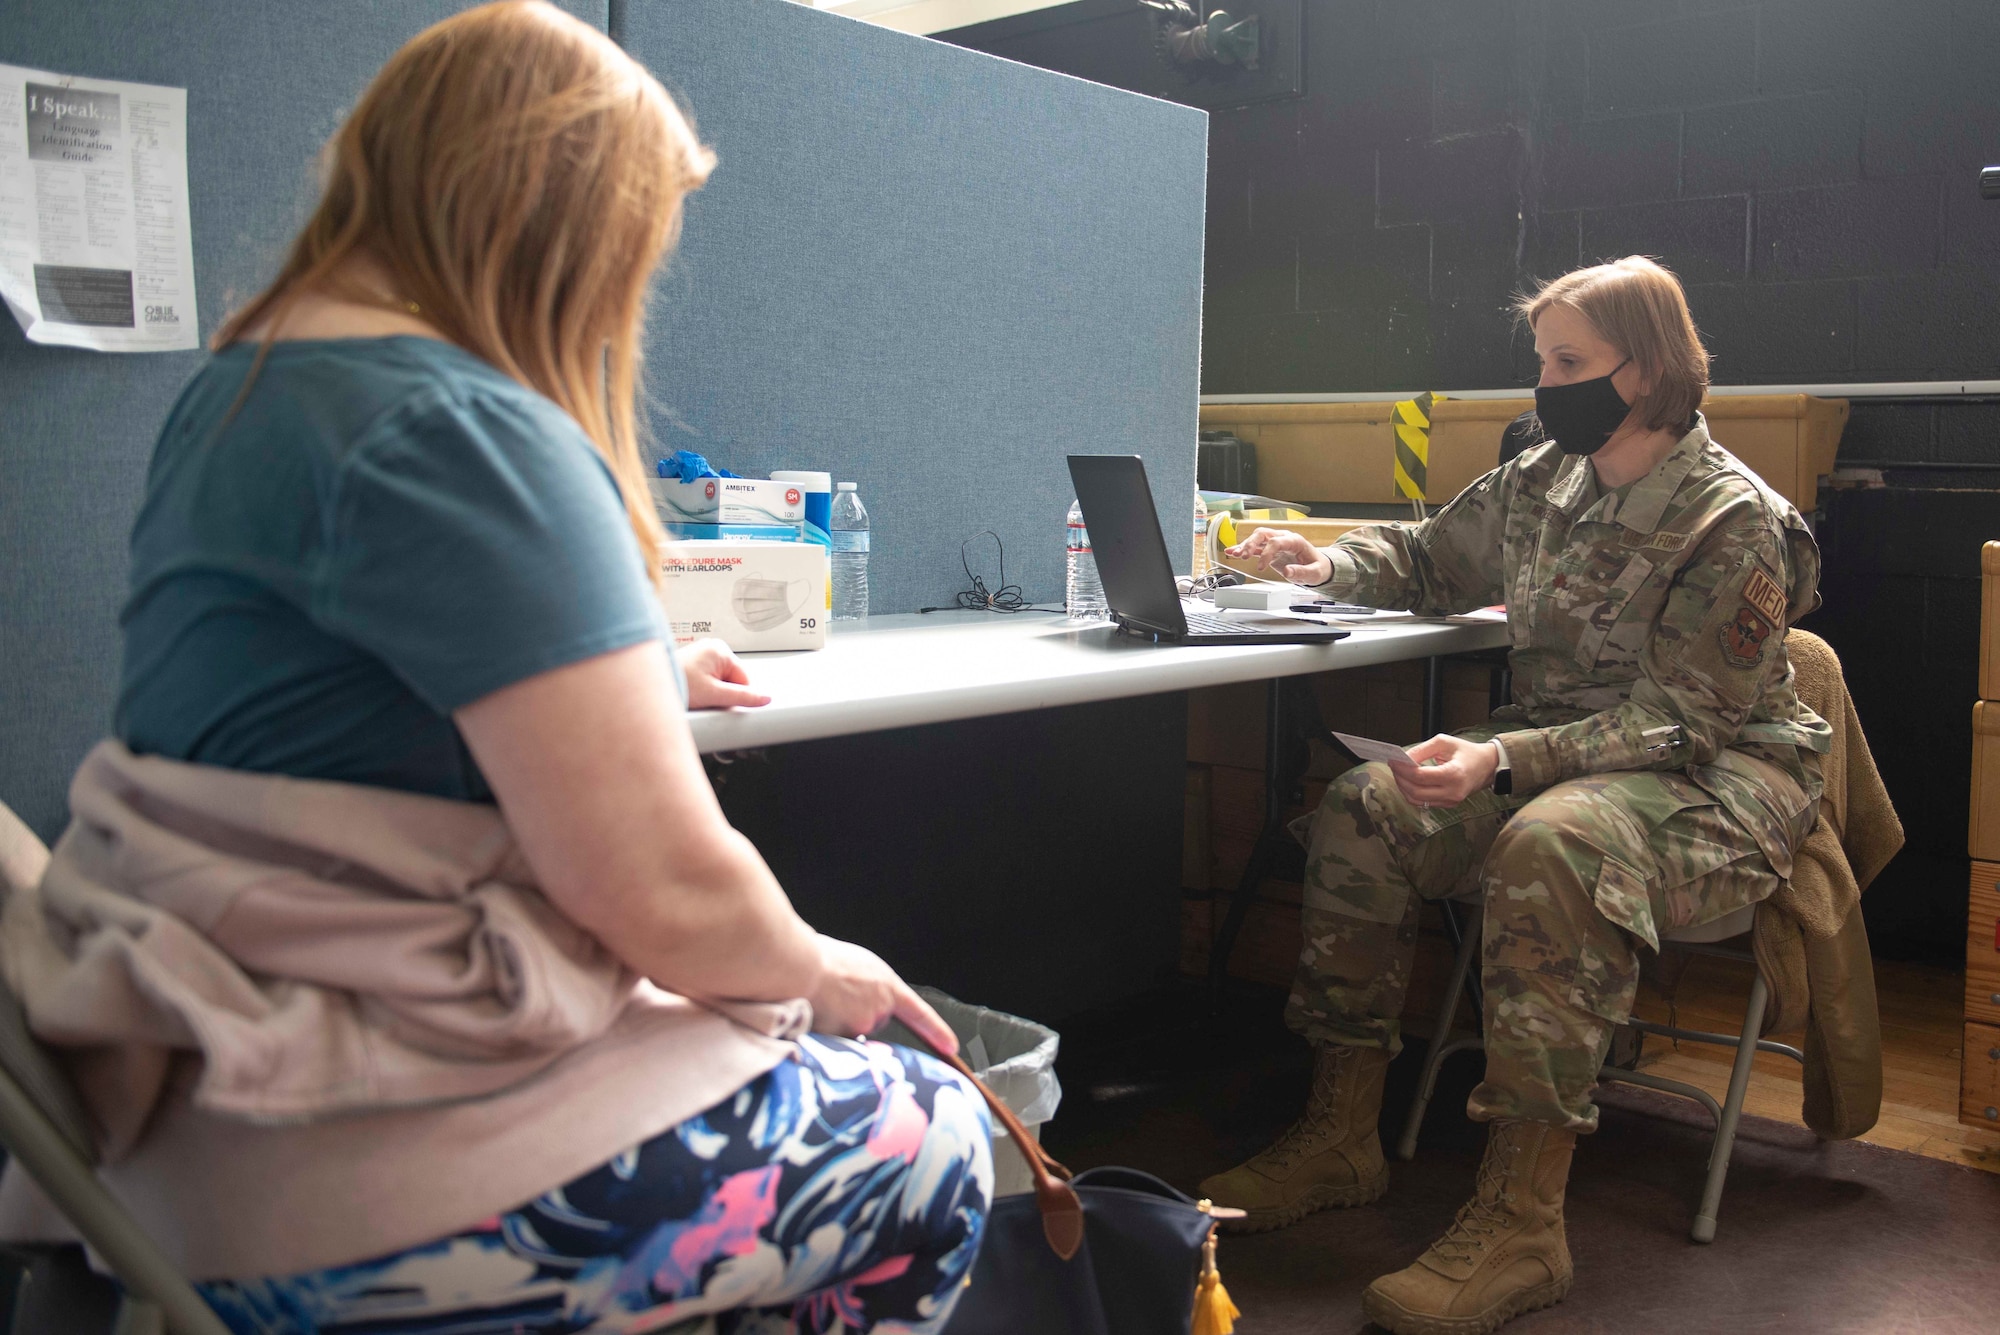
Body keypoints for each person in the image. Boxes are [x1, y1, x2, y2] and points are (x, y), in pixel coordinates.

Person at [0, 4, 991, 1330]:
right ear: (556, 224)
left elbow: (334, 696)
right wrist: (821, 966)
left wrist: (622, 668)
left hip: (174, 1133)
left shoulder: (246, 386)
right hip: (349, 1191)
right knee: (934, 1130)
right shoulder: (462, 426)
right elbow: (661, 886)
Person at [1209, 256, 1828, 1334]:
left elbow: (1681, 721)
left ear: (1646, 369)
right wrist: (1314, 564)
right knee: (1367, 805)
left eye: (1568, 361)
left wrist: (1501, 761)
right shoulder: (1548, 476)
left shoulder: (1732, 517)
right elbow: (1423, 558)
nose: (1544, 384)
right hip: (1559, 749)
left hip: (1717, 777)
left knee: (1554, 841)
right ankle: (1341, 1132)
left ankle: (1519, 1218)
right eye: (1541, 359)